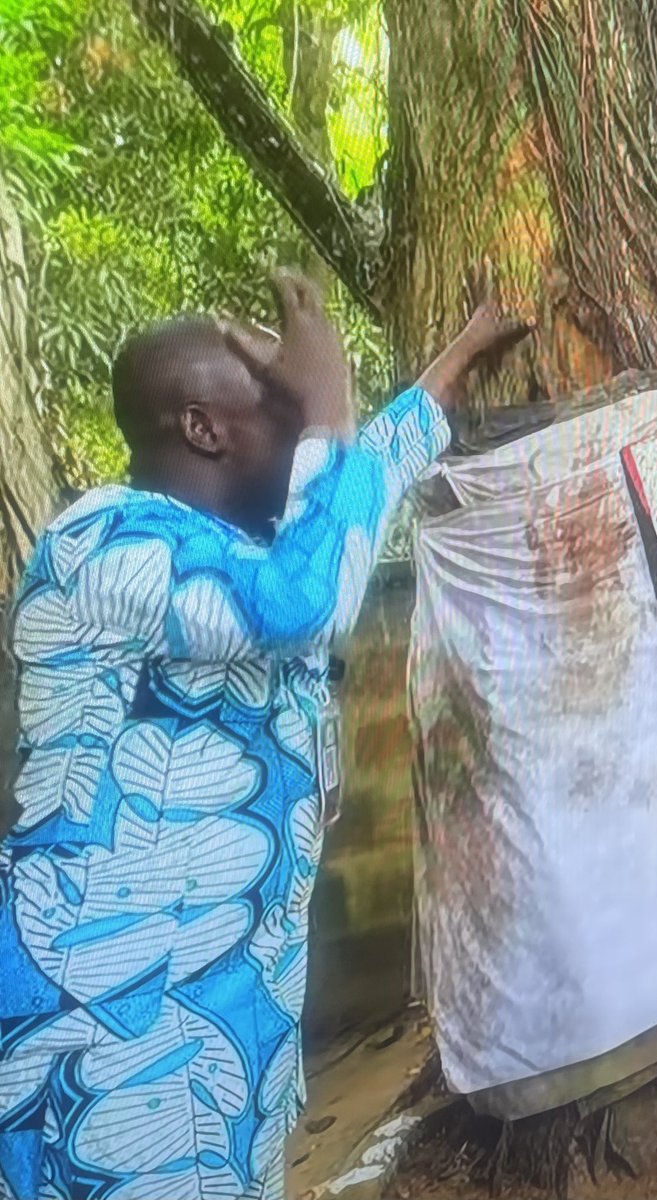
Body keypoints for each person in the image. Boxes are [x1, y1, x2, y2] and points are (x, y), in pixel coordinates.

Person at [0, 271, 530, 1200]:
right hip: (110, 1026)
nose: (312, 435)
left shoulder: (245, 551)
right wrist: (326, 401)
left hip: (227, 1011)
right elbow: (303, 602)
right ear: (204, 429)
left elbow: (364, 477)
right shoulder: (102, 544)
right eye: (283, 405)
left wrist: (464, 349)